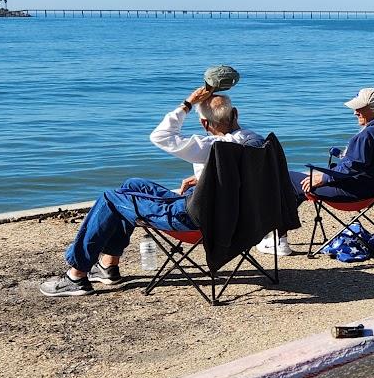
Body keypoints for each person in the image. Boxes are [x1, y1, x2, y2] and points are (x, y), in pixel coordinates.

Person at [40, 84, 264, 298]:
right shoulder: (256, 143)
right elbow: (240, 176)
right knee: (133, 184)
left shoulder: (211, 147)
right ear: (235, 113)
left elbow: (160, 136)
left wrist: (187, 103)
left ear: (205, 124)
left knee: (111, 199)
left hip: (193, 219)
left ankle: (76, 275)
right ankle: (108, 266)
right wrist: (204, 178)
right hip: (231, 217)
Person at [299, 86, 374, 202]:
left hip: (351, 191)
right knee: (304, 180)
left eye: (360, 108)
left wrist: (324, 177)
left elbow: (351, 167)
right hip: (368, 187)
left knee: (289, 180)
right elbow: (359, 162)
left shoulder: (368, 135)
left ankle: (287, 220)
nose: (355, 113)